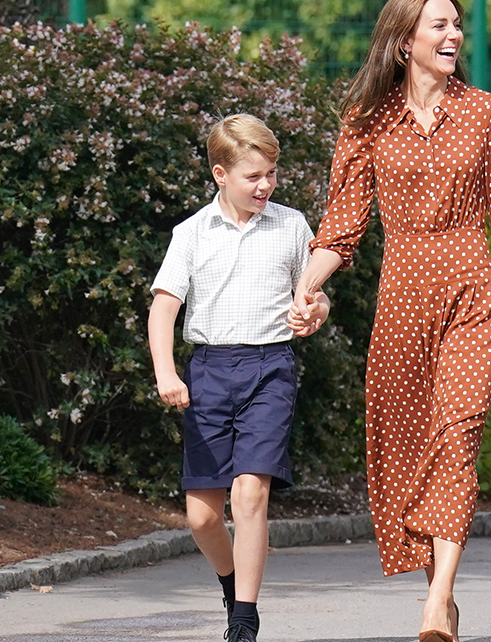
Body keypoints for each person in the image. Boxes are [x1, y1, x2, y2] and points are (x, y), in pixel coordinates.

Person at [289, 0, 491, 642]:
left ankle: (436, 601)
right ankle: (439, 595)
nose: (454, 37)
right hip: (402, 298)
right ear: (403, 39)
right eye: (439, 25)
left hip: (471, 290)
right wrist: (307, 286)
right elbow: (343, 224)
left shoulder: (486, 113)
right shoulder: (367, 120)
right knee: (410, 449)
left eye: (458, 26)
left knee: (457, 434)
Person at [147, 114, 330, 642]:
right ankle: (232, 586)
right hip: (208, 371)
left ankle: (244, 621)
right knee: (203, 518)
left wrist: (314, 311)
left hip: (270, 368)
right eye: (254, 176)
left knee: (250, 493)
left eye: (271, 173)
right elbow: (163, 310)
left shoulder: (292, 225)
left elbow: (315, 296)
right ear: (220, 173)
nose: (266, 185)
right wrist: (166, 371)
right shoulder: (191, 233)